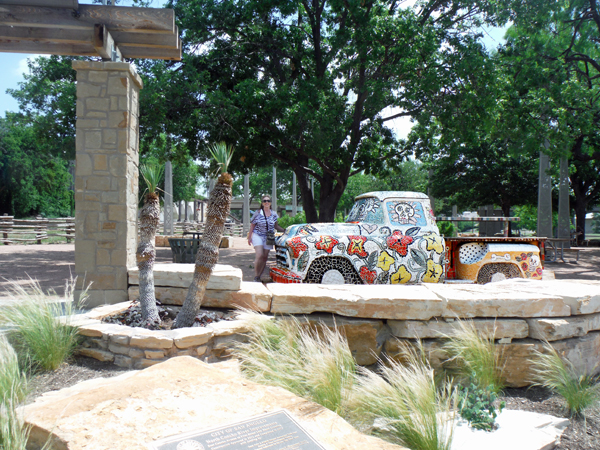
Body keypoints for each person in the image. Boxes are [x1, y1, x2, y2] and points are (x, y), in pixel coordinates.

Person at [247, 195, 284, 282]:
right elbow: (252, 225)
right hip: (258, 235)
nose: (266, 202)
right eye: (264, 201)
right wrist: (249, 237)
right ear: (262, 203)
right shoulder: (258, 213)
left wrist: (285, 230)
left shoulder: (274, 214)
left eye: (268, 201)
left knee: (264, 257)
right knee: (259, 255)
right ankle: (256, 275)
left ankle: (259, 276)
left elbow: (276, 226)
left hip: (269, 236)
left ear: (270, 202)